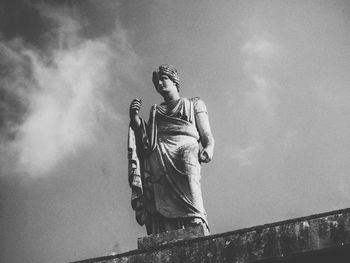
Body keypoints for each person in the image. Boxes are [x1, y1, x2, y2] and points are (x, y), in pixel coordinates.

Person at [128, 64, 214, 235]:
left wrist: (209, 147)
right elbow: (146, 139)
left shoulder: (194, 103)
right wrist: (135, 119)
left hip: (187, 145)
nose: (159, 84)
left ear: (174, 81)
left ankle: (196, 219)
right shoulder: (156, 111)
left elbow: (207, 135)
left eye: (163, 79)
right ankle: (165, 228)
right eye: (157, 82)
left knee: (190, 175)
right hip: (159, 152)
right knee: (160, 192)